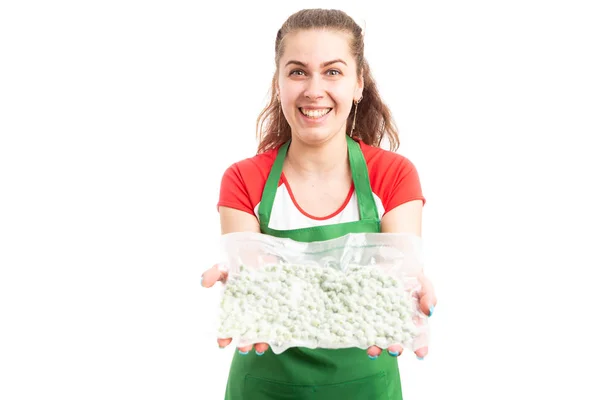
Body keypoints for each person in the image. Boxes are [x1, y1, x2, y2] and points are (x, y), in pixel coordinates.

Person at [201, 8, 437, 399]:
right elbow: (259, 291)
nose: (314, 89)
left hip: (367, 387)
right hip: (264, 387)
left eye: (332, 71)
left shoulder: (393, 175)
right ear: (278, 84)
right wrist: (244, 286)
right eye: (297, 71)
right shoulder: (245, 180)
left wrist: (408, 286)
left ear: (358, 84)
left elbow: (395, 274)